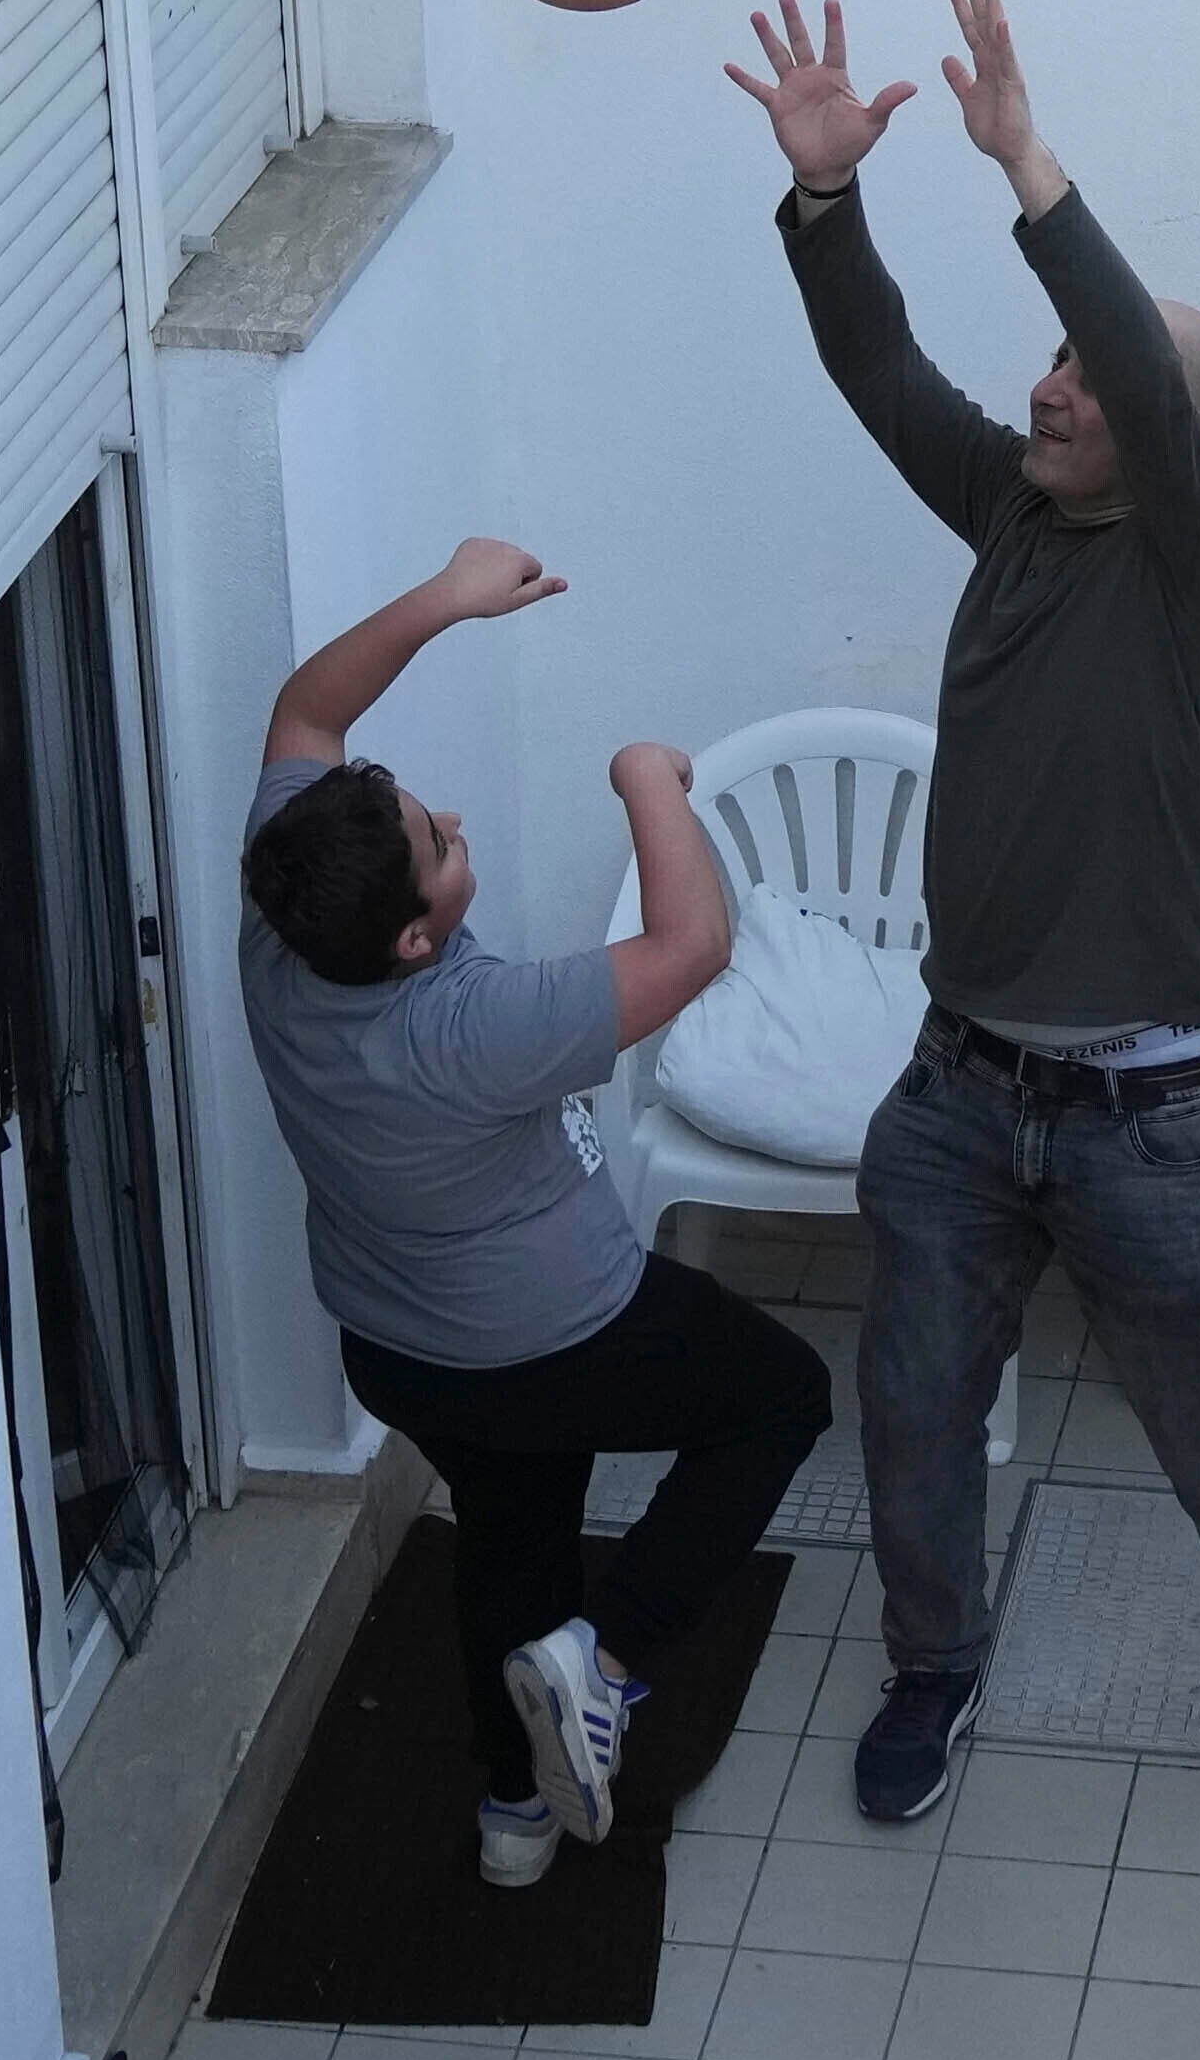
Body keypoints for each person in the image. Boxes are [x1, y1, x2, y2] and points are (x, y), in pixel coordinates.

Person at [727, 0, 1200, 1823]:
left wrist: (1031, 168)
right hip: (957, 1092)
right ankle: (935, 1669)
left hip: (1145, 1117)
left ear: (1161, 416)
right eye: (1059, 368)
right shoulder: (1010, 503)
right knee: (911, 1405)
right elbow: (875, 366)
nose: (1049, 384)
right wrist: (826, 197)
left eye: (1087, 378)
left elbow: (1138, 374)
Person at [233, 535, 831, 1884]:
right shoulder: (471, 1023)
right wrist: (646, 778)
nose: (448, 818)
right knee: (777, 1399)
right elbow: (691, 946)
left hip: (396, 1346)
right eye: (439, 842)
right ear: (415, 936)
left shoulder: (280, 920)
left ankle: (515, 1810)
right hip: (551, 1333)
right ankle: (607, 1656)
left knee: (510, 1522)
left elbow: (306, 712)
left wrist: (447, 598)